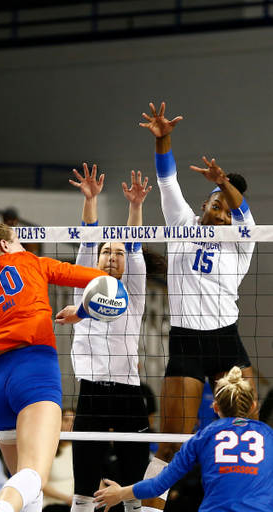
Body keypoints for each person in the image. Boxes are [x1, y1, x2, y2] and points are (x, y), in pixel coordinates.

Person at [0, 222, 108, 512]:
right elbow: (101, 280)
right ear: (4, 245)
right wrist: (82, 312)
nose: (24, 248)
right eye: (19, 242)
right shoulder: (32, 262)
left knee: (28, 491)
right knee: (33, 478)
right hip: (35, 373)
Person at [138, 102, 257, 511]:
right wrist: (162, 138)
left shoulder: (243, 242)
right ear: (204, 203)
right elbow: (167, 178)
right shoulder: (181, 224)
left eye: (225, 208)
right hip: (187, 343)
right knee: (171, 444)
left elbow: (241, 209)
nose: (218, 209)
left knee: (244, 437)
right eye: (214, 201)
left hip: (227, 344)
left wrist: (226, 183)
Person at [64, 164, 166, 512]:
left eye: (119, 253)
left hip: (128, 392)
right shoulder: (85, 282)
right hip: (91, 391)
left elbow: (134, 241)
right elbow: (89, 236)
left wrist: (135, 206)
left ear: (127, 262)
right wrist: (90, 199)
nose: (112, 256)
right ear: (97, 257)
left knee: (134, 487)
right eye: (107, 251)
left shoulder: (134, 289)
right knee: (83, 489)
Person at [93, 367, 273, 512]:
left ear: (215, 407)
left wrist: (119, 493)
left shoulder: (202, 437)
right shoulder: (268, 435)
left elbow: (157, 485)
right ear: (253, 406)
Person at [42, 408, 75, 512]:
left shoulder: (82, 450)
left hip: (79, 502)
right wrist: (66, 498)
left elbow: (96, 479)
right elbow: (42, 484)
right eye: (66, 420)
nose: (70, 424)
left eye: (74, 421)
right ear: (57, 422)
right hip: (54, 503)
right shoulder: (46, 449)